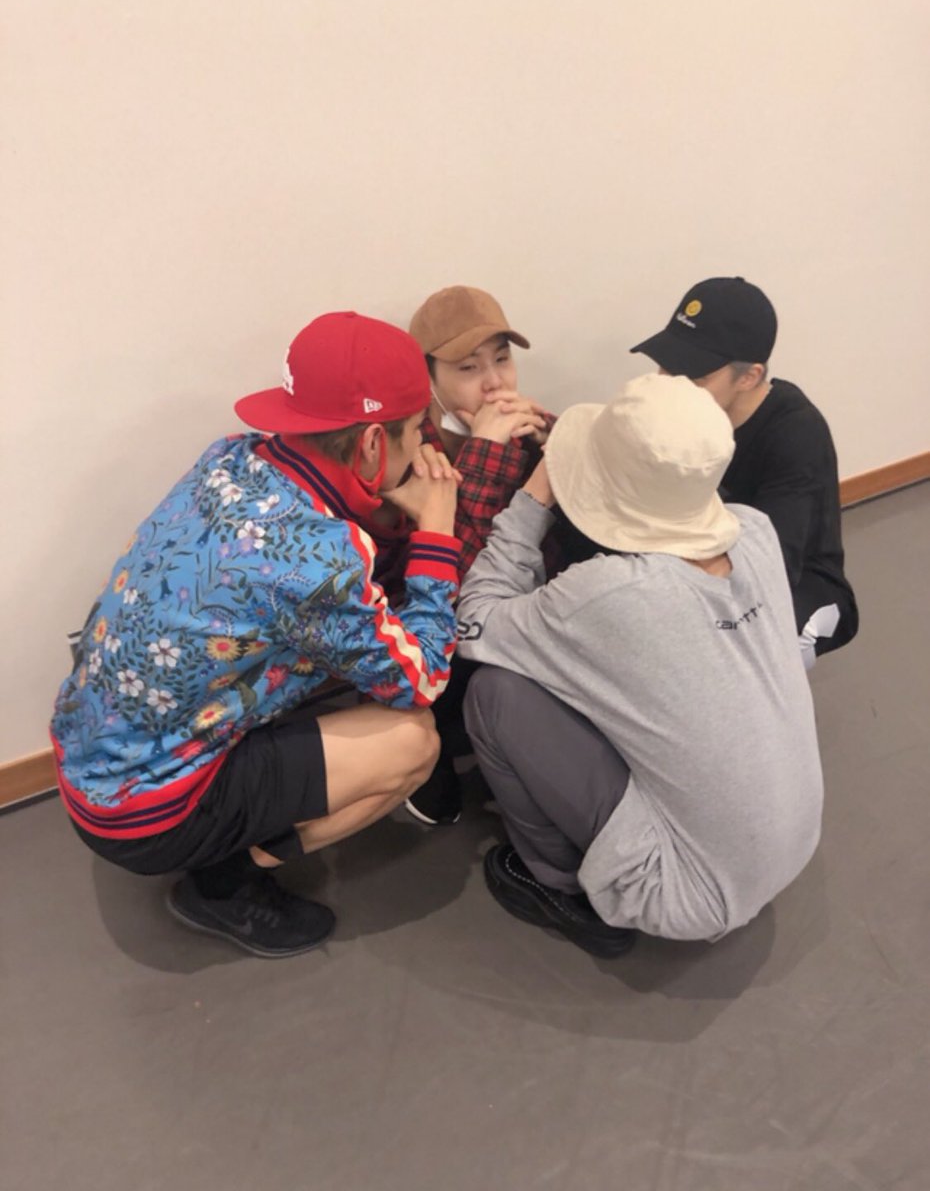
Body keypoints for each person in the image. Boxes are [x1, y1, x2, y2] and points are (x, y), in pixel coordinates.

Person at [51, 311, 462, 958]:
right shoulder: (319, 563)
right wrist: (437, 534)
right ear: (373, 444)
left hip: (90, 752)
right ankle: (224, 882)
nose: (421, 448)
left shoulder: (230, 456)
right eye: (415, 432)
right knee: (414, 743)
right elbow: (422, 677)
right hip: (142, 815)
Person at [457, 373, 824, 956]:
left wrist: (535, 495)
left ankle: (555, 884)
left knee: (494, 694)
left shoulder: (609, 594)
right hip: (795, 841)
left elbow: (474, 621)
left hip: (684, 893)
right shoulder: (755, 530)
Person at [630, 275, 857, 669]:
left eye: (695, 376)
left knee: (718, 657)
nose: (671, 384)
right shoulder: (682, 409)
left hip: (798, 582)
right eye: (667, 366)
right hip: (706, 554)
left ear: (749, 376)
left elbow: (769, 566)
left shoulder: (796, 432)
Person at [402, 285, 555, 825]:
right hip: (444, 633)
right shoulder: (412, 447)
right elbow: (457, 580)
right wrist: (486, 451)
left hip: (526, 616)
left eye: (502, 360)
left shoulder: (525, 424)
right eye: (468, 367)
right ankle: (436, 753)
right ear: (428, 378)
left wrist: (554, 445)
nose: (494, 382)